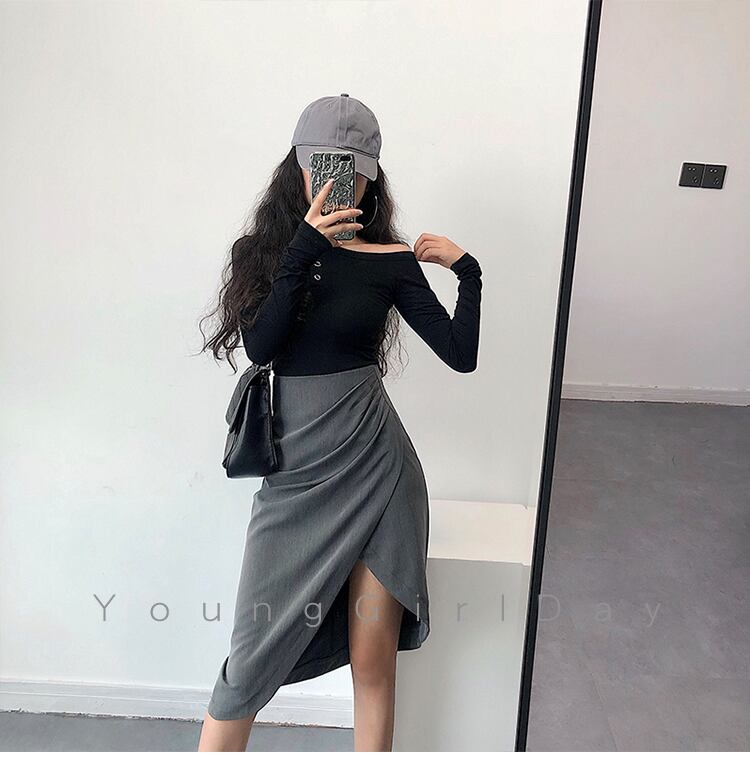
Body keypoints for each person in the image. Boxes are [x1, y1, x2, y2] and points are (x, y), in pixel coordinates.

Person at [198, 94, 482, 751]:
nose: (339, 182)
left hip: (381, 473)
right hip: (298, 475)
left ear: (372, 178)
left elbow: (459, 354)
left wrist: (468, 272)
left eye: (354, 171)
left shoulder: (390, 259)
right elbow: (262, 346)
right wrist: (305, 245)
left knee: (373, 662)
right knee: (245, 669)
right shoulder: (264, 253)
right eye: (325, 166)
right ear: (297, 168)